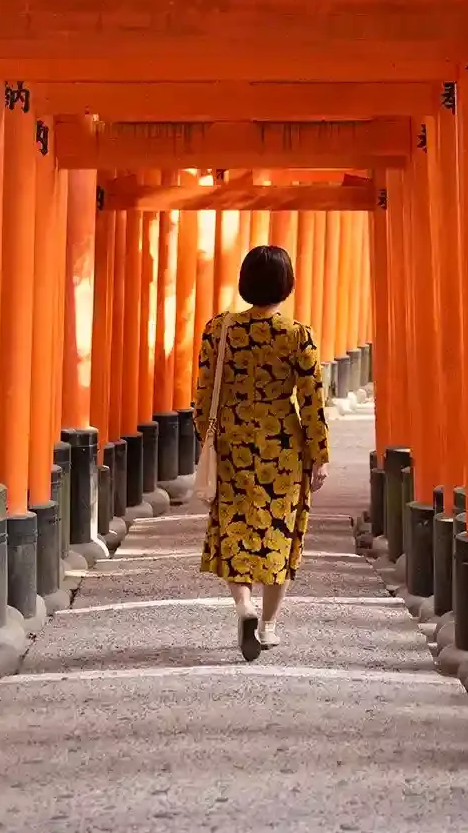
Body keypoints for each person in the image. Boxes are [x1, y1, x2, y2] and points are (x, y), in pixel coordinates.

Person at [192, 244, 331, 662]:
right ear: (287, 284)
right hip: (283, 448)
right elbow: (312, 400)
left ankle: (244, 607)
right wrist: (319, 454)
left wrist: (207, 438)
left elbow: (203, 395)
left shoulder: (219, 329)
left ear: (245, 281)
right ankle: (268, 625)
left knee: (233, 527)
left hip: (233, 442)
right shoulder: (297, 335)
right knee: (279, 533)